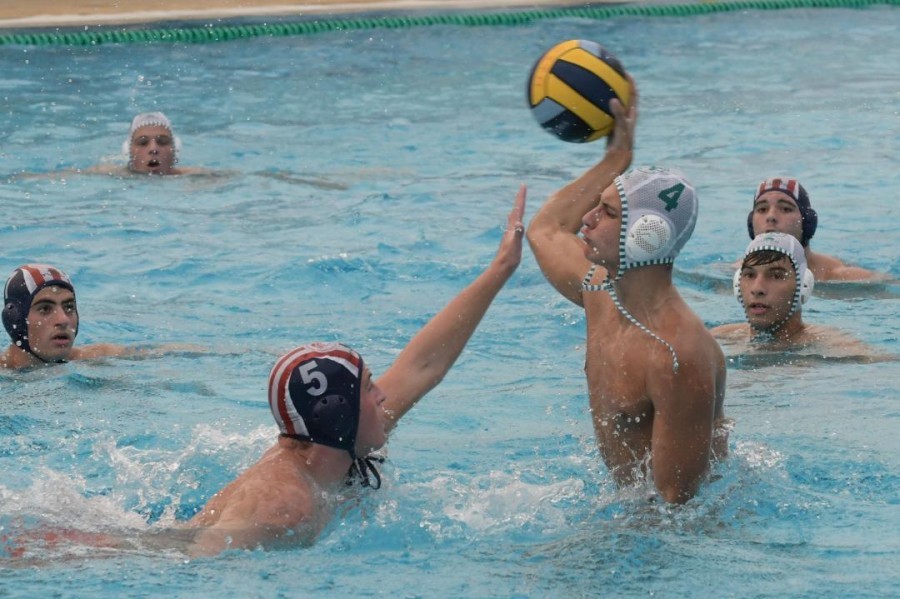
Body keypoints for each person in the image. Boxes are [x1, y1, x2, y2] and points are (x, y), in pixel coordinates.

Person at [172, 187, 526, 556]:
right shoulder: (284, 507)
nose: (384, 395)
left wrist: (501, 268)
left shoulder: (334, 441)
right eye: (369, 388)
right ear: (336, 414)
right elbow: (194, 558)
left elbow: (425, 365)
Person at [525, 81, 727, 504]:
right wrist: (617, 158)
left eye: (607, 212)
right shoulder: (600, 291)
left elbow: (676, 507)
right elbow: (545, 229)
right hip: (633, 508)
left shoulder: (678, 355)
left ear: (646, 235)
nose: (587, 218)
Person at [712, 232, 885, 359]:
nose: (757, 288)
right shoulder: (718, 338)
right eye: (750, 275)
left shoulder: (837, 348)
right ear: (737, 285)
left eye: (776, 276)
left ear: (803, 286)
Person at [1, 264, 193, 369]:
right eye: (45, 309)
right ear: (15, 320)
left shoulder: (92, 357)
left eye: (69, 307)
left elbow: (168, 352)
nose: (63, 320)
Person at [746, 177, 888, 282]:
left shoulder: (845, 279)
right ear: (751, 223)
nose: (771, 217)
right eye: (762, 209)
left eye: (785, 209)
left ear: (807, 222)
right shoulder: (738, 273)